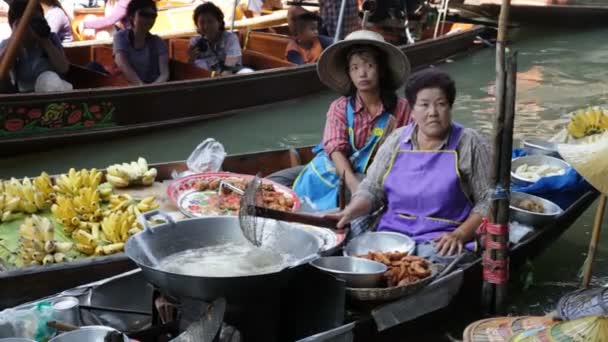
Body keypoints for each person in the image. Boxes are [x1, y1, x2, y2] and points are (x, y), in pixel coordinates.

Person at [328, 68, 492, 262]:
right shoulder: (397, 140)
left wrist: (461, 234)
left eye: (441, 104)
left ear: (450, 108)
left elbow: (488, 200)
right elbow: (372, 190)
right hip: (392, 236)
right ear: (412, 111)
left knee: (430, 264)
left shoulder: (470, 142)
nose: (433, 113)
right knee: (348, 246)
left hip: (443, 237)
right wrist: (349, 211)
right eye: (424, 105)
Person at [268, 30, 412, 211]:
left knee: (361, 194)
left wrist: (358, 188)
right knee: (271, 183)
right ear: (349, 74)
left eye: (369, 65)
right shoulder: (340, 107)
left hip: (372, 175)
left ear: (381, 70)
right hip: (333, 167)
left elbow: (410, 151)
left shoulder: (402, 109)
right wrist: (352, 184)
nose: (362, 73)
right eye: (355, 68)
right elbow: (335, 151)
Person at [0, 0, 71, 93]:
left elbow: (63, 68)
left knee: (48, 79)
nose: (35, 25)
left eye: (39, 20)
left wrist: (44, 41)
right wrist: (16, 38)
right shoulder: (9, 44)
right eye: (30, 22)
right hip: (26, 96)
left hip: (54, 92)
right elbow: (2, 72)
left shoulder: (51, 39)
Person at [113, 0, 169, 85]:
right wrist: (141, 85)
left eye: (153, 16)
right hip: (128, 87)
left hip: (153, 87)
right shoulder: (121, 37)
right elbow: (121, 63)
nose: (149, 19)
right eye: (144, 15)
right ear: (132, 16)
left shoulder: (158, 42)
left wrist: (151, 88)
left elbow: (164, 74)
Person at [188, 2, 252, 75]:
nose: (206, 26)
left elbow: (228, 69)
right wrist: (192, 57)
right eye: (202, 22)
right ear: (197, 25)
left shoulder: (230, 39)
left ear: (219, 22)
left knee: (247, 72)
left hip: (232, 75)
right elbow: (190, 68)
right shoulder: (195, 42)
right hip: (209, 77)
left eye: (210, 21)